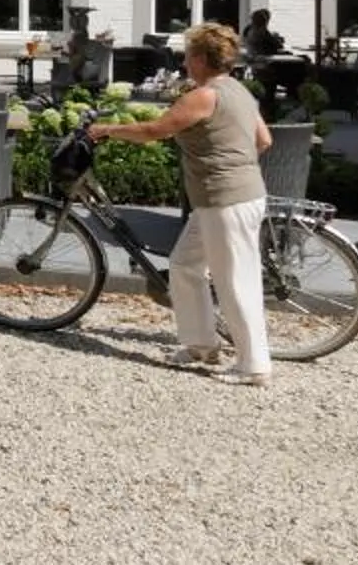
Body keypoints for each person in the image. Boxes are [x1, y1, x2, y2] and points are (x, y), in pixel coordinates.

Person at [87, 21, 275, 386]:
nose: (186, 63)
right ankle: (201, 343)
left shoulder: (204, 96)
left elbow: (155, 130)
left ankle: (254, 365)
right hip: (230, 196)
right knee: (185, 265)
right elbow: (264, 140)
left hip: (225, 200)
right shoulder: (239, 91)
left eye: (189, 56)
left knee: (236, 280)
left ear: (203, 59)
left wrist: (107, 130)